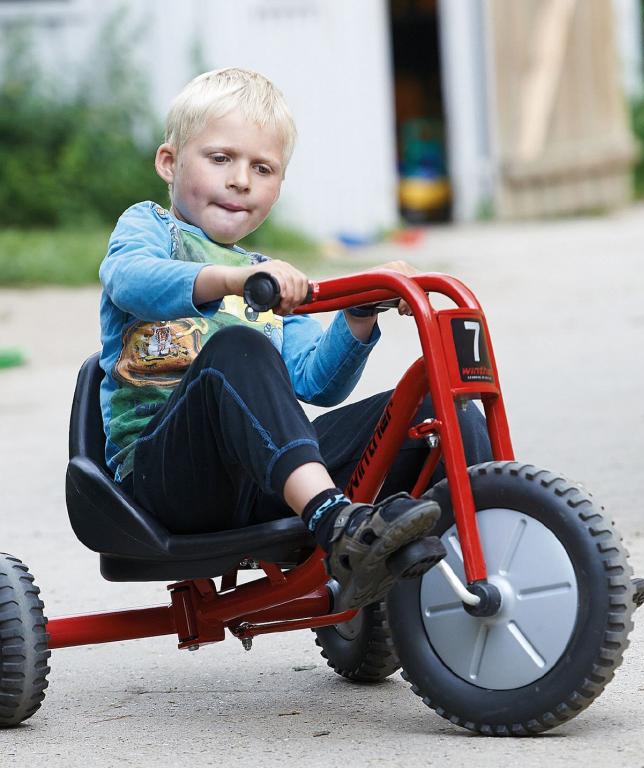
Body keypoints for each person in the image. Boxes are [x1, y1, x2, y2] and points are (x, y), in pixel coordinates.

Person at [98, 67, 490, 610]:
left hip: (269, 483)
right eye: (220, 159)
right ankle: (337, 524)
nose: (241, 180)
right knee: (237, 347)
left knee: (437, 410)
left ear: (278, 187)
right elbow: (130, 279)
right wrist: (232, 283)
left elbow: (315, 380)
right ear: (170, 162)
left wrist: (359, 309)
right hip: (167, 481)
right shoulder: (150, 230)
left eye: (262, 168)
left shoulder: (266, 273)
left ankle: (492, 557)